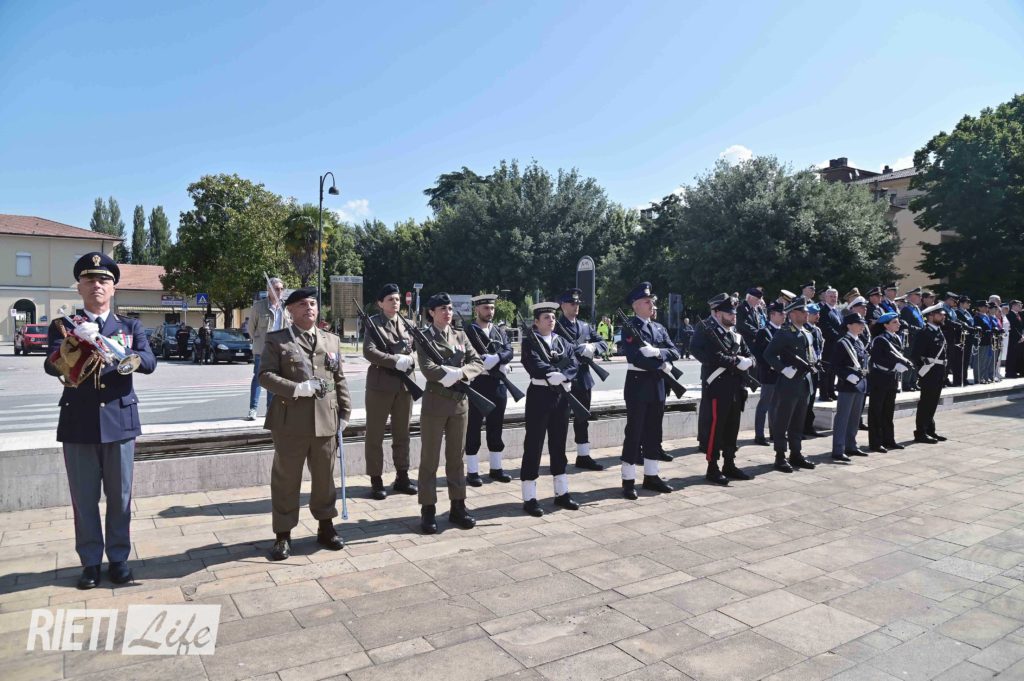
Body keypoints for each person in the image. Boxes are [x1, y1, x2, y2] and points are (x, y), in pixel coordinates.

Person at [44, 252, 157, 589]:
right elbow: (52, 366)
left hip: (120, 421)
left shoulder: (129, 326)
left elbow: (149, 362)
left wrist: (127, 356)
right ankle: (91, 563)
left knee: (120, 498)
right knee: (84, 499)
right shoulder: (64, 326)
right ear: (79, 287)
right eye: (90, 279)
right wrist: (76, 340)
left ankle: (119, 560)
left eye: (104, 280)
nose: (97, 284)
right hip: (79, 423)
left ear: (113, 288)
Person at [259, 287, 352, 560]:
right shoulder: (278, 340)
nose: (309, 308)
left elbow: (339, 378)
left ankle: (326, 526)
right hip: (291, 422)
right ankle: (283, 534)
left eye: (312, 303)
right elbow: (265, 375)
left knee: (324, 478)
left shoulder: (331, 340)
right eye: (302, 304)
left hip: (326, 419)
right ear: (290, 310)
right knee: (286, 480)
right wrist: (296, 389)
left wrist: (345, 412)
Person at [415, 292, 484, 533]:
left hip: (459, 405)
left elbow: (477, 362)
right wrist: (447, 374)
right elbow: (427, 368)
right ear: (431, 312)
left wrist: (461, 373)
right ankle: (428, 509)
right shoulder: (424, 337)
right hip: (435, 404)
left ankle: (458, 506)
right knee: (429, 459)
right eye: (443, 309)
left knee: (456, 458)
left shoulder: (460, 335)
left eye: (450, 309)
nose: (448, 313)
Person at [519, 301, 582, 515]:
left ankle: (561, 492)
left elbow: (573, 362)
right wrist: (552, 373)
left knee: (559, 444)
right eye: (546, 317)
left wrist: (563, 376)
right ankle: (529, 497)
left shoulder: (562, 341)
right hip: (539, 396)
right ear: (536, 322)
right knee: (534, 444)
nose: (551, 320)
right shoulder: (530, 342)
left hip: (560, 397)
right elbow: (534, 364)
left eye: (553, 317)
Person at [620, 282, 679, 499]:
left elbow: (675, 351)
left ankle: (652, 476)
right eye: (646, 301)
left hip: (657, 385)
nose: (651, 304)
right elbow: (635, 357)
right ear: (636, 305)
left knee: (654, 431)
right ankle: (628, 480)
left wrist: (658, 354)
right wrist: (661, 364)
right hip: (638, 384)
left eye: (651, 300)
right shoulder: (629, 327)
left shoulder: (659, 328)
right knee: (634, 433)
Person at [690, 294, 755, 484]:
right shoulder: (707, 330)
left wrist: (750, 361)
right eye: (729, 313)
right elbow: (705, 354)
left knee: (732, 427)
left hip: (736, 387)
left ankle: (729, 463)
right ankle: (712, 467)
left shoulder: (736, 335)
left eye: (734, 313)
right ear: (718, 313)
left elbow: (750, 354)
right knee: (715, 429)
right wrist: (736, 361)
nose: (733, 316)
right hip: (717, 387)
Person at [362, 283, 419, 499]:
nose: (395, 303)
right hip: (380, 386)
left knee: (402, 433)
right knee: (375, 435)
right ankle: (376, 479)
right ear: (380, 303)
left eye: (397, 299)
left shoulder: (408, 323)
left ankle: (402, 476)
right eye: (390, 299)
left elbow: (419, 349)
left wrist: (410, 359)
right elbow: (369, 351)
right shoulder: (373, 323)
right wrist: (395, 360)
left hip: (405, 386)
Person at [463, 293, 515, 485]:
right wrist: (483, 366)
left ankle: (496, 468)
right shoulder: (468, 331)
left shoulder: (499, 331)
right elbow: (465, 355)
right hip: (478, 384)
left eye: (492, 308)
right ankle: (472, 471)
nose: (490, 311)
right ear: (477, 309)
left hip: (498, 385)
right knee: (473, 428)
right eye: (486, 308)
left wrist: (499, 359)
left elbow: (509, 350)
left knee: (496, 427)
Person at [555, 288, 608, 471]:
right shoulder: (555, 327)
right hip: (564, 381)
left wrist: (592, 347)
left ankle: (583, 455)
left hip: (583, 379)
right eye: (572, 303)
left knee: (582, 419)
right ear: (563, 305)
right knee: (560, 421)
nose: (576, 306)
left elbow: (602, 342)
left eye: (577, 303)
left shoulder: (585, 326)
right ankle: (558, 457)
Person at [764, 296, 817, 472]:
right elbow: (768, 354)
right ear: (792, 314)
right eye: (802, 311)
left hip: (804, 383)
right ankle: (780, 456)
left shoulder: (807, 333)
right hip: (788, 383)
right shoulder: (784, 333)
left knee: (798, 421)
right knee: (782, 421)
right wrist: (783, 369)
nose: (806, 314)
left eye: (806, 311)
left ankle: (796, 453)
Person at [867, 312, 910, 453]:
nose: (898, 324)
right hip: (880, 378)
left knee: (888, 411)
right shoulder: (880, 339)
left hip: (891, 378)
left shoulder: (896, 337)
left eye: (898, 321)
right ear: (885, 325)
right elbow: (878, 359)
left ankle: (889, 439)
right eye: (894, 322)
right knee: (876, 411)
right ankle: (876, 442)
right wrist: (895, 365)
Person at [248, 277, 289, 420]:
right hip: (262, 349)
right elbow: (251, 329)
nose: (280, 291)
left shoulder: (285, 307)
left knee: (274, 380)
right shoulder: (258, 306)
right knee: (258, 378)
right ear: (269, 290)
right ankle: (253, 409)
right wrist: (259, 341)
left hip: (279, 349)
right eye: (277, 289)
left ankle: (270, 410)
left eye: (281, 289)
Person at [830, 312, 869, 462]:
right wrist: (847, 376)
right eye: (859, 324)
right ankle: (838, 449)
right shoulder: (842, 343)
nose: (862, 326)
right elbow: (834, 366)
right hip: (847, 385)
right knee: (843, 418)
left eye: (862, 324)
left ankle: (851, 445)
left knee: (854, 418)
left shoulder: (859, 342)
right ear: (849, 325)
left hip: (860, 384)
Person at [911, 303, 949, 444]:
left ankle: (930, 430)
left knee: (933, 402)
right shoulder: (924, 333)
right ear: (931, 316)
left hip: (939, 372)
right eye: (940, 314)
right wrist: (923, 368)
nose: (943, 317)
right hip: (929, 372)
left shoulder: (938, 331)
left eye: (943, 315)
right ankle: (920, 432)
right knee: (926, 403)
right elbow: (916, 354)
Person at [751, 301, 784, 446]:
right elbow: (757, 354)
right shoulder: (764, 332)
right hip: (769, 374)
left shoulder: (784, 331)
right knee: (764, 405)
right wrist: (771, 365)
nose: (784, 316)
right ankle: (759, 435)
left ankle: (774, 433)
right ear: (772, 315)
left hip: (782, 373)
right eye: (781, 314)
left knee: (777, 405)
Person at [817, 287, 843, 401]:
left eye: (835, 297)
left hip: (837, 345)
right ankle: (824, 394)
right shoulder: (823, 311)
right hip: (828, 345)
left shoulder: (837, 311)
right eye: (831, 296)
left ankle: (831, 391)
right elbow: (826, 328)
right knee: (826, 370)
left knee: (833, 370)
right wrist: (839, 337)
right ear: (826, 297)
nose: (833, 299)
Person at [900, 287, 926, 392]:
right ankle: (906, 383)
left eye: (920, 295)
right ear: (910, 297)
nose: (920, 297)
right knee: (909, 360)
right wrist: (919, 330)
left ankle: (913, 382)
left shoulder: (916, 308)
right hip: (910, 339)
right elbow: (906, 325)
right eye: (918, 295)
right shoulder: (906, 309)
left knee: (916, 361)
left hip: (918, 339)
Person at [804, 303, 824, 437]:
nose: (817, 316)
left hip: (815, 368)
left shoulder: (817, 330)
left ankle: (808, 426)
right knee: (805, 400)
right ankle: (801, 427)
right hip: (806, 368)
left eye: (818, 313)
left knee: (811, 400)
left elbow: (819, 347)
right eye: (814, 313)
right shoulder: (804, 329)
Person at [1007, 300, 1023, 378]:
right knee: (1012, 355)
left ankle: (1020, 371)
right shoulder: (1010, 315)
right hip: (1014, 338)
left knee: (1019, 355)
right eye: (1019, 305)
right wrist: (1020, 336)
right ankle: (1010, 372)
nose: (1021, 306)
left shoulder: (1018, 314)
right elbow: (1013, 327)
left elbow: (1021, 327)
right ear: (1013, 306)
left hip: (1021, 338)